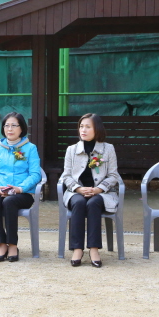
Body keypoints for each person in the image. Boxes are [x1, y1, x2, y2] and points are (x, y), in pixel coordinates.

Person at [60, 113, 121, 268]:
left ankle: (94, 249)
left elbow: (114, 175)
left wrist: (98, 189)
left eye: (88, 127)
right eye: (81, 126)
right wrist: (78, 189)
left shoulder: (108, 149)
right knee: (79, 203)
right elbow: (66, 176)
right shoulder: (71, 150)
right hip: (76, 192)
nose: (83, 130)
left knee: (93, 204)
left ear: (97, 129)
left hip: (101, 193)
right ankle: (77, 249)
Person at [0, 112, 41, 262]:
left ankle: (13, 245)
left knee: (9, 202)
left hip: (22, 194)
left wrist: (19, 188)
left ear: (22, 128)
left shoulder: (30, 148)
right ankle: (1, 244)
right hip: (1, 191)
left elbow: (36, 174)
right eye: (6, 125)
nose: (9, 129)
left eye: (14, 125)